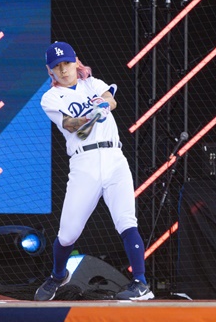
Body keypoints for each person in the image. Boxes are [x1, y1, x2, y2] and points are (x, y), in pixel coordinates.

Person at [36, 41, 154, 301]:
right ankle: (58, 275)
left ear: (75, 61)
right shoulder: (50, 98)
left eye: (67, 63)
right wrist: (91, 116)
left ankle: (141, 283)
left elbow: (111, 99)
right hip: (84, 162)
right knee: (67, 234)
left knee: (126, 221)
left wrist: (104, 106)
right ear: (50, 70)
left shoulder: (92, 83)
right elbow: (71, 125)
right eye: (57, 66)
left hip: (114, 158)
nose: (64, 69)